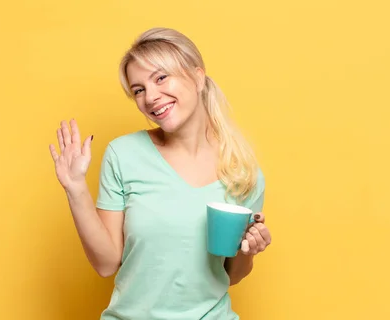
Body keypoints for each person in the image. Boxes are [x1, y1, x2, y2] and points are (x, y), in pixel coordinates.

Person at [49, 27, 272, 320]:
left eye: (161, 78)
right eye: (138, 90)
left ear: (197, 76)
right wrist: (75, 187)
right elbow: (106, 264)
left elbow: (231, 275)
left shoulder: (241, 171)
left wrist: (249, 249)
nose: (151, 97)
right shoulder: (124, 154)